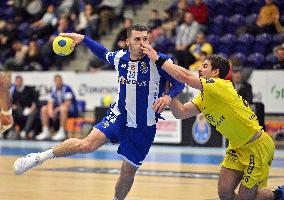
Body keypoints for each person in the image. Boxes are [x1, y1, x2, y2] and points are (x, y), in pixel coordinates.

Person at [13, 24, 185, 200]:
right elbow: (103, 53)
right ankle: (38, 158)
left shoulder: (160, 61)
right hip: (119, 115)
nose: (142, 43)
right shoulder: (120, 57)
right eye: (137, 39)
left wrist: (168, 97)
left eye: (145, 39)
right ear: (127, 42)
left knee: (127, 172)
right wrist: (84, 39)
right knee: (86, 145)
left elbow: (180, 82)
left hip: (144, 125)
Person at [140, 44, 284, 200]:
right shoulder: (203, 97)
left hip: (257, 146)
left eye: (205, 66)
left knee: (246, 197)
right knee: (224, 193)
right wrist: (168, 93)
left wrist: (158, 59)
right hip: (237, 147)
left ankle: (278, 195)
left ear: (215, 72)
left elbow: (185, 77)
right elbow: (180, 113)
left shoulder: (220, 85)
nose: (200, 69)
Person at [35, 74, 78, 141]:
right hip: (58, 109)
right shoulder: (53, 88)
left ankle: (62, 131)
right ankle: (46, 131)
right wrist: (50, 111)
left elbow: (68, 103)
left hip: (70, 110)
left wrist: (57, 109)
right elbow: (50, 102)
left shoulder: (67, 88)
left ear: (61, 81)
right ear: (54, 81)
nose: (58, 82)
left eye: (59, 80)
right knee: (44, 109)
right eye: (56, 81)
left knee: (63, 108)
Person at [11, 75, 39, 139]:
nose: (18, 83)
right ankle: (15, 129)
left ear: (22, 81)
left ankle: (25, 131)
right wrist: (13, 106)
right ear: (15, 82)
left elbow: (35, 100)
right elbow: (12, 103)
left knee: (32, 113)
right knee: (10, 112)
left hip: (31, 108)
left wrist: (31, 109)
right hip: (21, 109)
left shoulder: (29, 89)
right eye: (17, 81)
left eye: (20, 81)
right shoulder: (15, 92)